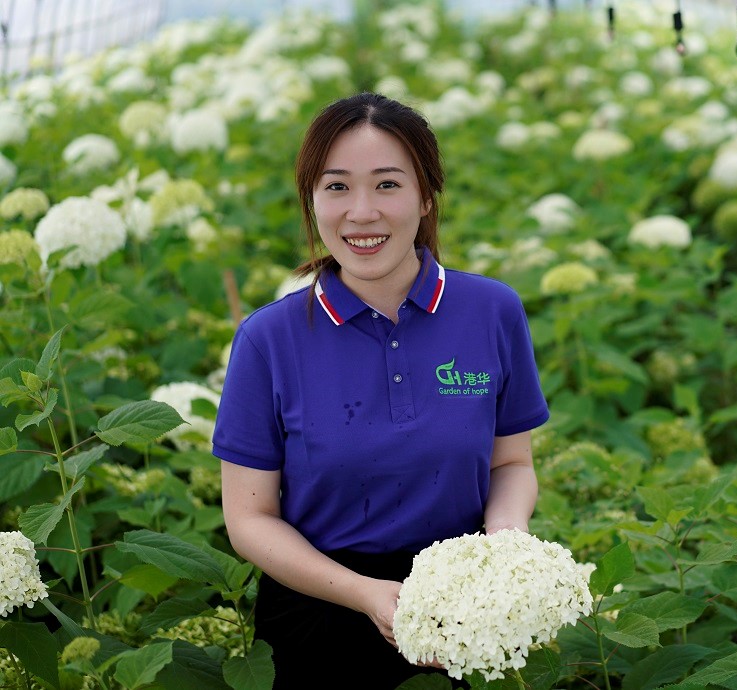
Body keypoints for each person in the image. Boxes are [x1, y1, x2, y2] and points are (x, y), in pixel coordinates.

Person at [213, 92, 550, 689]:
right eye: (337, 187)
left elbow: (512, 463)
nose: (362, 212)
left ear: (426, 197)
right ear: (312, 200)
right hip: (320, 613)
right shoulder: (267, 339)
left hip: (467, 610)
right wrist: (365, 593)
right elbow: (249, 519)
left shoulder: (492, 310)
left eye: (388, 184)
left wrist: (505, 544)